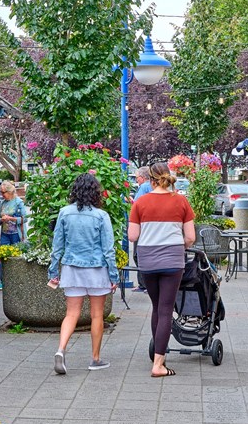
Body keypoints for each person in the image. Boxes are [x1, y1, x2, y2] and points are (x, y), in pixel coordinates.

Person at [128, 161, 196, 377]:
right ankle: (158, 363)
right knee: (167, 309)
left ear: (150, 179)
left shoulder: (140, 202)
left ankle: (158, 355)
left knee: (157, 307)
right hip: (173, 260)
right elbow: (191, 238)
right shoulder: (181, 201)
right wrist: (177, 245)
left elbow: (132, 236)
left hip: (148, 261)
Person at [48, 174, 119, 373]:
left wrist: (53, 271)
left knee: (71, 314)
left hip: (72, 268)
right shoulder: (101, 216)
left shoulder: (64, 213)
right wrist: (114, 276)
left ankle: (61, 350)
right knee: (97, 315)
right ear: (95, 192)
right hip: (97, 270)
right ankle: (95, 359)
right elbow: (108, 250)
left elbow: (57, 246)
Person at [0, 180, 25, 290]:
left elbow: (24, 218)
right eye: (1, 192)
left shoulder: (18, 202)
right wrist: (1, 220)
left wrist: (11, 218)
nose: (2, 195)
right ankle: (3, 281)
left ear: (10, 191)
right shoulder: (3, 203)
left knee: (17, 257)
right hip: (5, 234)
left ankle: (17, 281)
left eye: (3, 192)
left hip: (16, 234)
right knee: (3, 257)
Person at [130, 166, 152, 292]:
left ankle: (144, 284)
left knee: (138, 254)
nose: (137, 180)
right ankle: (144, 284)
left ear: (142, 178)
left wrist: (130, 201)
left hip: (141, 225)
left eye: (137, 177)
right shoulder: (152, 186)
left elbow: (137, 206)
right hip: (148, 226)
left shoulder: (144, 187)